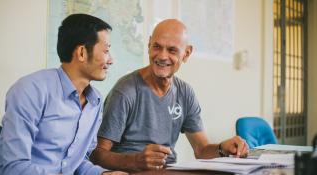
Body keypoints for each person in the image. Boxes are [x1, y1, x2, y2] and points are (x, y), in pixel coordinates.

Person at [90, 19, 249, 172]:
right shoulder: (125, 91)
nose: (162, 56)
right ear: (149, 45)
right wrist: (135, 161)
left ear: (186, 53)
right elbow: (97, 154)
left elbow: (201, 150)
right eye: (157, 47)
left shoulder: (185, 93)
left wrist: (222, 148)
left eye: (172, 50)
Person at [0, 14, 126, 175]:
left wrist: (103, 174)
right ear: (82, 52)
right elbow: (12, 167)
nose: (110, 60)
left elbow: (77, 162)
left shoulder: (95, 101)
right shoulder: (31, 90)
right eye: (106, 51)